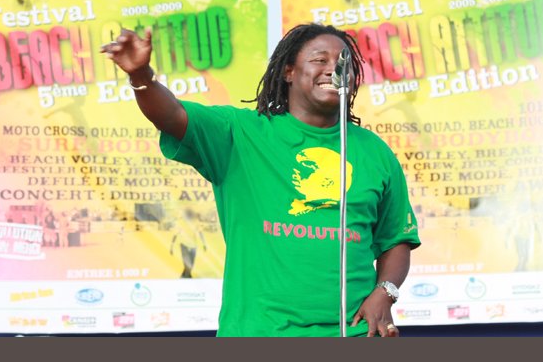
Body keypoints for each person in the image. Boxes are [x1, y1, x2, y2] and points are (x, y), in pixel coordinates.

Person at [102, 23, 421, 337]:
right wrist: (141, 76)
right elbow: (171, 115)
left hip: (353, 332)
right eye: (319, 59)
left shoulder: (375, 152)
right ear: (288, 72)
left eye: (343, 63)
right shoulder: (240, 133)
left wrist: (385, 292)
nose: (333, 69)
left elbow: (396, 239)